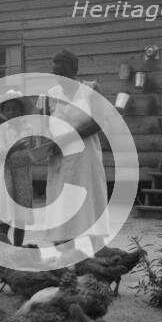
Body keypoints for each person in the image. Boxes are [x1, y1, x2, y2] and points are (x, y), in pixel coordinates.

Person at [44, 49, 109, 251]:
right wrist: (48, 144)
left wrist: (68, 137)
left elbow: (99, 122)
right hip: (61, 160)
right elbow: (46, 125)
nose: (59, 78)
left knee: (90, 199)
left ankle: (99, 250)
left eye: (63, 73)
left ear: (74, 71)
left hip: (86, 157)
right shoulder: (50, 95)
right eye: (56, 74)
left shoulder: (91, 89)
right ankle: (67, 254)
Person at [0, 90, 34, 247]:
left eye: (15, 108)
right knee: (6, 216)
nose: (11, 112)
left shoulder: (28, 128)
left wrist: (35, 151)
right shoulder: (0, 129)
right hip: (7, 176)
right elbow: (0, 154)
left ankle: (18, 250)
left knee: (20, 219)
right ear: (4, 112)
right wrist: (15, 147)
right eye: (8, 109)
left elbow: (32, 153)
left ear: (21, 111)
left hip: (23, 175)